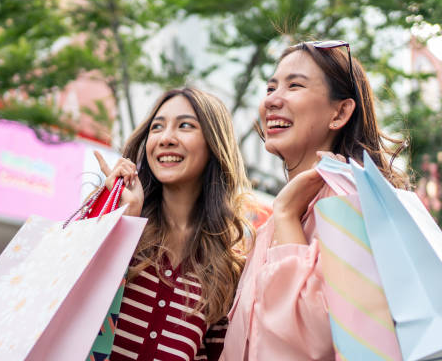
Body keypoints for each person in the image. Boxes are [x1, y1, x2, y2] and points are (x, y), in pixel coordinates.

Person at [221, 40, 408, 360]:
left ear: (340, 112)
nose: (272, 101)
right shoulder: (281, 217)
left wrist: (286, 217)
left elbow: (314, 340)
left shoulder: (349, 205)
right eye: (270, 88)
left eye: (295, 85)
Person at [95, 87, 254, 361]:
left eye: (185, 126)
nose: (166, 138)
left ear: (214, 144)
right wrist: (125, 222)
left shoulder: (226, 270)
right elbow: (77, 312)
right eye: (157, 127)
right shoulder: (116, 222)